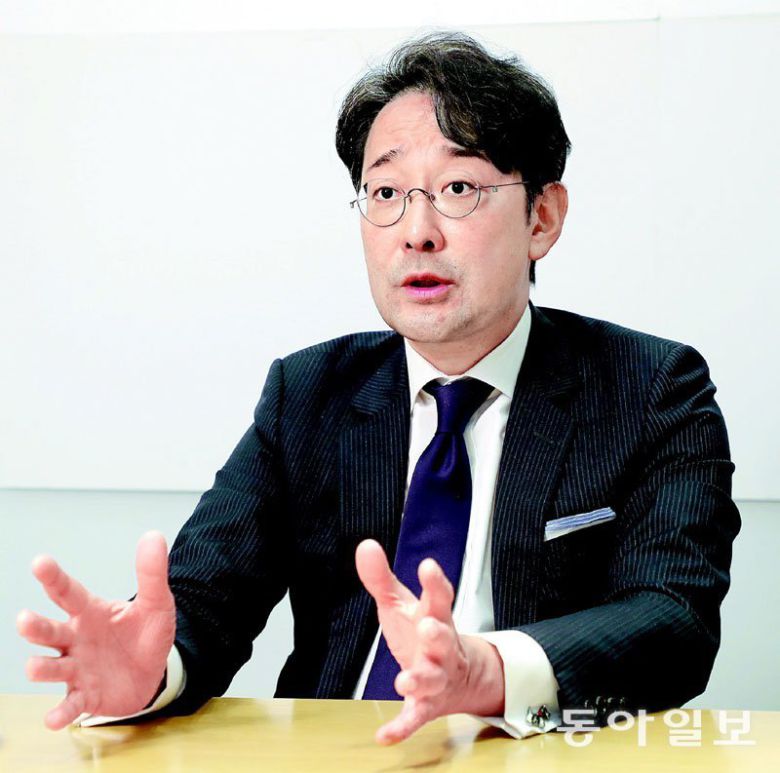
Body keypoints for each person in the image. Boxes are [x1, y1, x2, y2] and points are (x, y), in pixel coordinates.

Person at [17, 31, 740, 746]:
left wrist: (490, 670)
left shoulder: (651, 388)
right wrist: (151, 671)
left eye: (458, 188)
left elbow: (673, 616)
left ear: (542, 218)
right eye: (386, 192)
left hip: (533, 751)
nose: (416, 231)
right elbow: (206, 598)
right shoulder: (308, 393)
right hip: (343, 754)